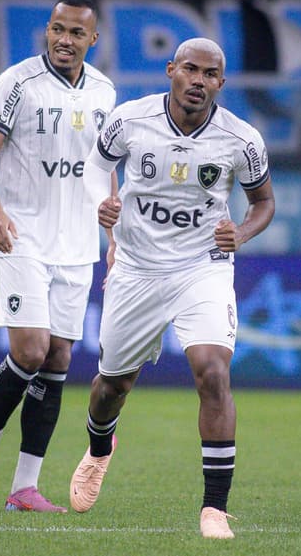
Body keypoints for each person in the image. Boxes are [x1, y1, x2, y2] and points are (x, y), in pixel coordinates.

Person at [71, 37, 275, 539]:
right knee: (111, 387)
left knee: (211, 372)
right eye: (190, 69)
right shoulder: (130, 119)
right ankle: (100, 449)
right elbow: (97, 166)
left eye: (210, 74)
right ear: (171, 70)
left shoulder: (241, 139)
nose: (198, 81)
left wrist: (241, 233)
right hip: (137, 268)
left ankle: (214, 509)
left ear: (221, 83)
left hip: (202, 268)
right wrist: (105, 206)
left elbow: (264, 202)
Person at [0, 0, 116, 513]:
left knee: (58, 358)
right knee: (30, 349)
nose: (64, 40)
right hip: (20, 233)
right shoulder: (17, 82)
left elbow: (105, 167)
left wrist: (113, 237)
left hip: (76, 243)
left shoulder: (104, 92)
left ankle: (25, 487)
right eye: (56, 29)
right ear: (47, 31)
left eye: (75, 33)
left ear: (93, 39)